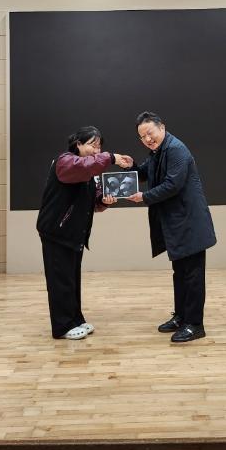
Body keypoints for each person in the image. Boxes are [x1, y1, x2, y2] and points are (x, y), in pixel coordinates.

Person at [36, 126, 133, 340]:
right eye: (92, 145)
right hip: (57, 233)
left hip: (74, 235)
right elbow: (84, 166)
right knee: (60, 281)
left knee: (71, 280)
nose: (96, 150)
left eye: (99, 146)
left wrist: (103, 201)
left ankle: (75, 320)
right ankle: (62, 327)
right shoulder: (65, 161)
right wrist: (111, 157)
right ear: (77, 144)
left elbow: (94, 201)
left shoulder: (89, 172)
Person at [129, 111, 216, 343]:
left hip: (190, 222)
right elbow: (145, 172)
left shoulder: (176, 149)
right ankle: (181, 316)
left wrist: (144, 197)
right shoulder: (158, 151)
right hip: (177, 223)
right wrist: (130, 167)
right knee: (180, 273)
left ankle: (195, 325)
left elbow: (172, 185)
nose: (148, 139)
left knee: (193, 275)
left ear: (162, 127)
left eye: (150, 133)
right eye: (142, 137)